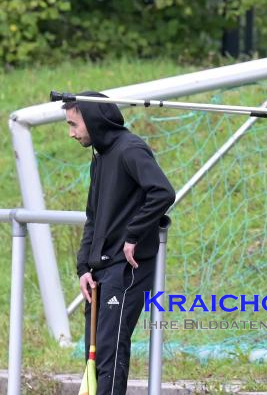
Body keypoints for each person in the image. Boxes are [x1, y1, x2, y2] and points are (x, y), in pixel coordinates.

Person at [64, 92, 176, 395]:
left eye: (74, 124)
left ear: (93, 120)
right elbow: (93, 216)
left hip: (126, 269)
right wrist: (83, 267)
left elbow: (162, 192)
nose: (71, 133)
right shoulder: (100, 157)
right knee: (97, 353)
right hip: (99, 272)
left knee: (111, 354)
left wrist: (133, 235)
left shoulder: (131, 150)